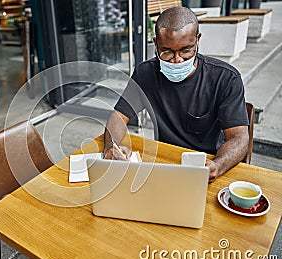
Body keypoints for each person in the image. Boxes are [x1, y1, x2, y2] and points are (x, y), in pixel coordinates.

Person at [103, 6, 249, 183]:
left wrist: (217, 166)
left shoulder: (225, 78)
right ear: (156, 43)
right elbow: (118, 116)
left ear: (198, 40)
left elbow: (239, 138)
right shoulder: (145, 74)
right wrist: (111, 147)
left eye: (186, 50)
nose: (177, 59)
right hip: (164, 161)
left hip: (207, 165)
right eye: (167, 52)